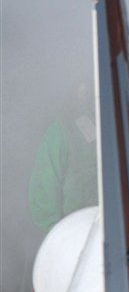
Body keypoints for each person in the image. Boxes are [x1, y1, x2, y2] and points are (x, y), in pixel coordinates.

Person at [28, 82, 97, 233]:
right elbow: (45, 185)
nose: (84, 91)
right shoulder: (59, 132)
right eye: (79, 86)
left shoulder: (98, 119)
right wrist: (56, 231)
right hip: (74, 227)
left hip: (104, 217)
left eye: (85, 85)